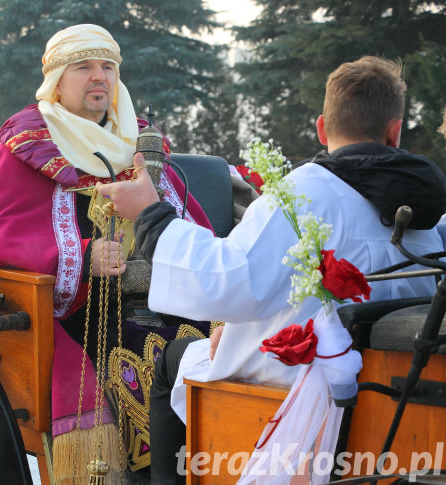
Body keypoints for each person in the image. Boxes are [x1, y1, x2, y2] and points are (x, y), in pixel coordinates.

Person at [97, 56, 446, 483]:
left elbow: (225, 280)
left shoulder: (305, 192)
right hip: (395, 382)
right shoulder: (429, 211)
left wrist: (151, 215)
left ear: (321, 127)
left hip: (303, 374)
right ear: (395, 130)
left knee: (172, 362)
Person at [0, 24, 213, 483]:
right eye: (84, 67)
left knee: (225, 342)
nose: (99, 77)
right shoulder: (28, 146)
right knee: (139, 362)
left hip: (157, 298)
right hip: (76, 314)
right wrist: (80, 257)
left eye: (108, 67)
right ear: (57, 80)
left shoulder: (140, 144)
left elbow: (192, 226)